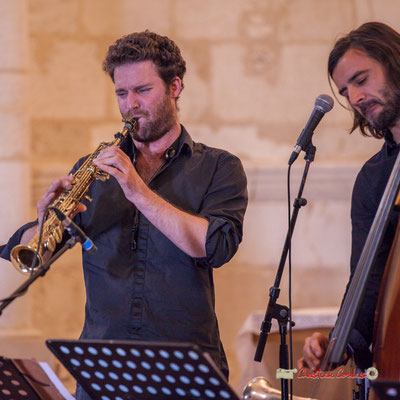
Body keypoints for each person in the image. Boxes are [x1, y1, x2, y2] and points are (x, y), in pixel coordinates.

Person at [0, 31, 248, 398]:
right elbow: (37, 252)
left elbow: (215, 245)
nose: (131, 104)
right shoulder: (95, 168)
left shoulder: (218, 167)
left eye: (143, 91)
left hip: (184, 367)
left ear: (174, 86)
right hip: (101, 368)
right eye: (121, 93)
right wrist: (43, 223)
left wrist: (138, 191)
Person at [298, 22, 400, 373]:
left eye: (361, 79)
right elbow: (367, 278)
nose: (354, 98)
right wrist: (342, 341)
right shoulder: (373, 178)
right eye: (345, 92)